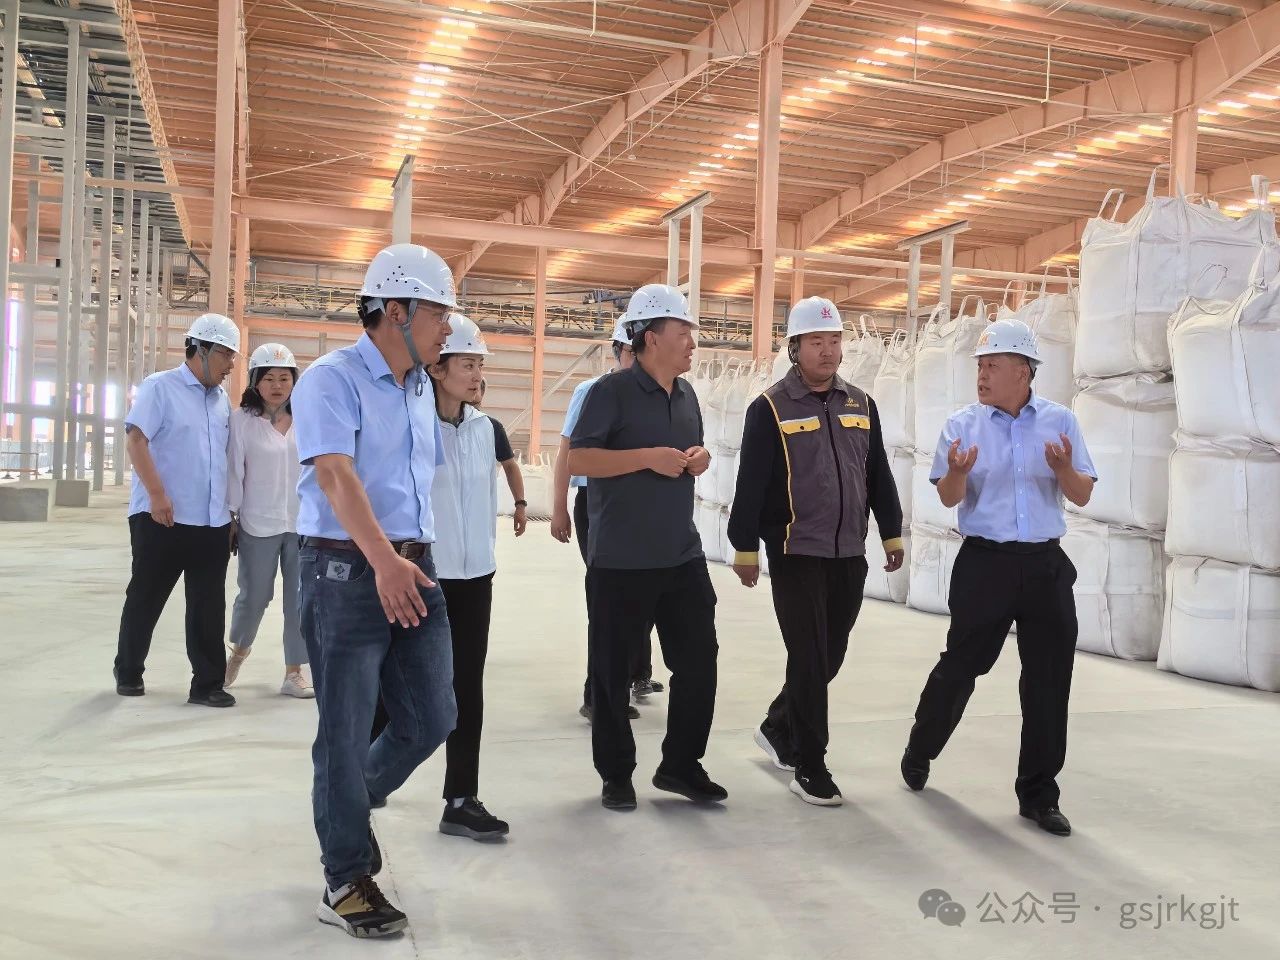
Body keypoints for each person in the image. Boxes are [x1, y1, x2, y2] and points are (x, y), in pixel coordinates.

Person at [292, 243, 458, 938]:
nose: (449, 328)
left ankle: (348, 808)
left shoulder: (418, 387)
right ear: (397, 310)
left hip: (413, 564)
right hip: (347, 572)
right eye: (439, 314)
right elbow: (335, 475)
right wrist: (383, 561)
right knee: (344, 728)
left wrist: (406, 560)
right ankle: (344, 879)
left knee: (432, 717)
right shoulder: (331, 380)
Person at [901, 318, 1096, 838]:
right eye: (980, 366)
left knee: (1049, 681)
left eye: (992, 365)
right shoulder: (962, 426)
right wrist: (958, 472)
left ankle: (1039, 795)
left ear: (1023, 372)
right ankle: (921, 747)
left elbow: (1081, 494)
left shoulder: (1060, 421)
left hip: (1045, 566)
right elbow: (948, 497)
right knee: (962, 665)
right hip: (985, 563)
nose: (982, 375)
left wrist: (1063, 468)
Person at [728, 297, 904, 806]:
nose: (827, 351)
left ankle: (777, 726)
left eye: (834, 341)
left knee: (831, 654)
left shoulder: (861, 404)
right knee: (808, 658)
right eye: (816, 342)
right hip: (795, 549)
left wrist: (891, 533)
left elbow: (878, 474)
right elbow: (751, 481)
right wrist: (744, 547)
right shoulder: (769, 408)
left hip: (849, 550)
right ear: (795, 348)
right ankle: (811, 764)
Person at [567, 283, 722, 812]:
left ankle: (681, 764)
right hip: (621, 560)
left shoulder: (687, 395)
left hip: (681, 555)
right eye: (684, 332)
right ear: (652, 337)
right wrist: (646, 457)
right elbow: (579, 460)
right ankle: (616, 774)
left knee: (698, 662)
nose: (692, 343)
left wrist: (699, 458)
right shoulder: (609, 393)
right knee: (611, 674)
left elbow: (691, 451)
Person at [113, 313, 240, 708]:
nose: (230, 365)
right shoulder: (160, 387)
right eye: (225, 355)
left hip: (211, 522)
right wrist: (156, 495)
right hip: (161, 518)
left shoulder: (221, 402)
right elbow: (136, 440)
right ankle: (129, 670)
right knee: (146, 597)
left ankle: (207, 684)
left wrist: (230, 515)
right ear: (200, 349)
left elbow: (222, 462)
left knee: (208, 606)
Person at [551, 316, 660, 723]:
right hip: (599, 502)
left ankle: (633, 674)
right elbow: (568, 451)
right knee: (609, 599)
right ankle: (596, 694)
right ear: (618, 352)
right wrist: (559, 506)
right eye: (631, 352)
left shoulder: (658, 392)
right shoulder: (594, 391)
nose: (637, 359)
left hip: (642, 503)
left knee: (644, 596)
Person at [223, 343, 311, 698]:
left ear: (294, 381)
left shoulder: (307, 418)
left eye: (285, 378)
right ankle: (237, 652)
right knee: (255, 596)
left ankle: (294, 672)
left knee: (299, 600)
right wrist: (231, 515)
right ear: (255, 381)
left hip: (302, 524)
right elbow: (234, 471)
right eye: (269, 378)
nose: (277, 385)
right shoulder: (241, 421)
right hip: (257, 523)